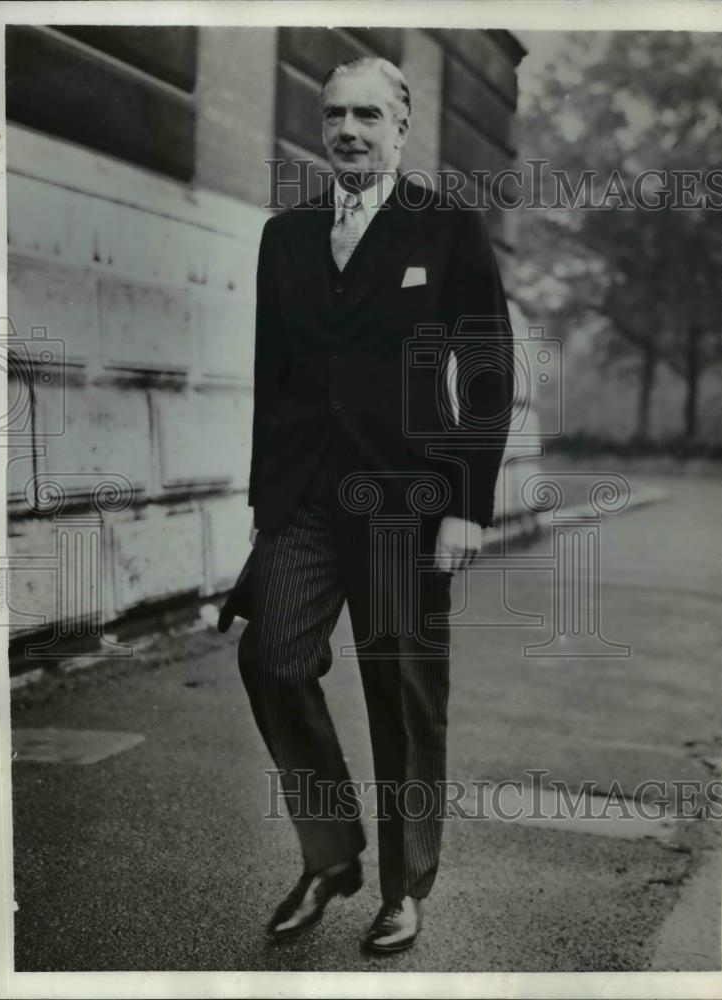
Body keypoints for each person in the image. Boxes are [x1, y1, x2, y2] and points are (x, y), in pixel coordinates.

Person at [236, 55, 513, 954]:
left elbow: (484, 372)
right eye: (333, 116)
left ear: (401, 127)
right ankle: (330, 854)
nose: (348, 131)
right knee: (272, 659)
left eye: (367, 115)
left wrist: (468, 503)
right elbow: (269, 381)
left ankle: (402, 887)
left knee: (401, 698)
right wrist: (263, 504)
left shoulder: (446, 228)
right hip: (305, 502)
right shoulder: (286, 234)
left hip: (408, 506)